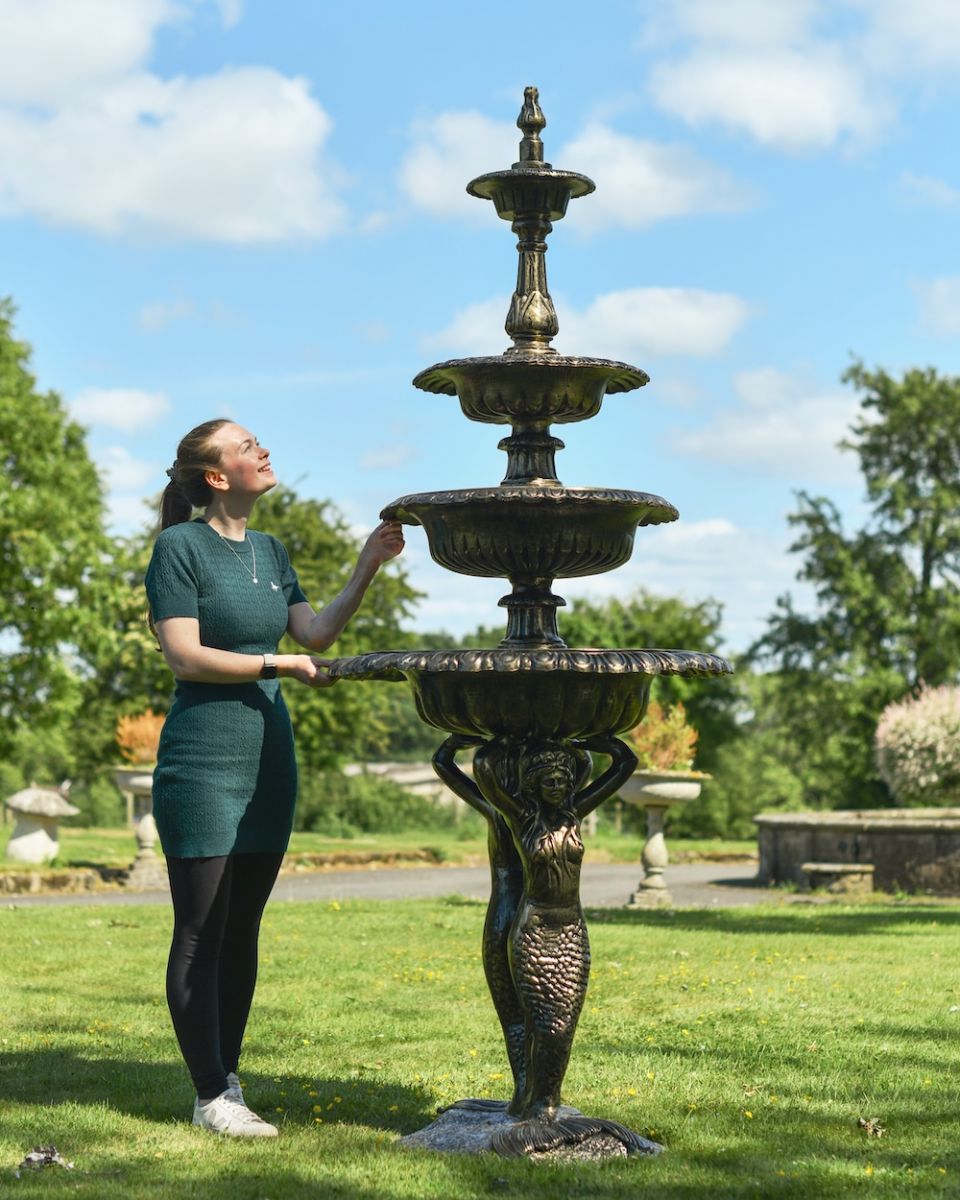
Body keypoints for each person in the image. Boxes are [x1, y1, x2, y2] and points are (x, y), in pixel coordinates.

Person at [144, 418, 403, 1137]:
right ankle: (210, 1096)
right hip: (202, 760)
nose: (263, 450)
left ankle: (226, 1080)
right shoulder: (179, 548)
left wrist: (366, 567)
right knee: (201, 928)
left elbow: (314, 636)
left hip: (269, 757)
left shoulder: (271, 550)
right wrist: (276, 664)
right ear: (217, 476)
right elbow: (185, 656)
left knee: (244, 927)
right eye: (247, 445)